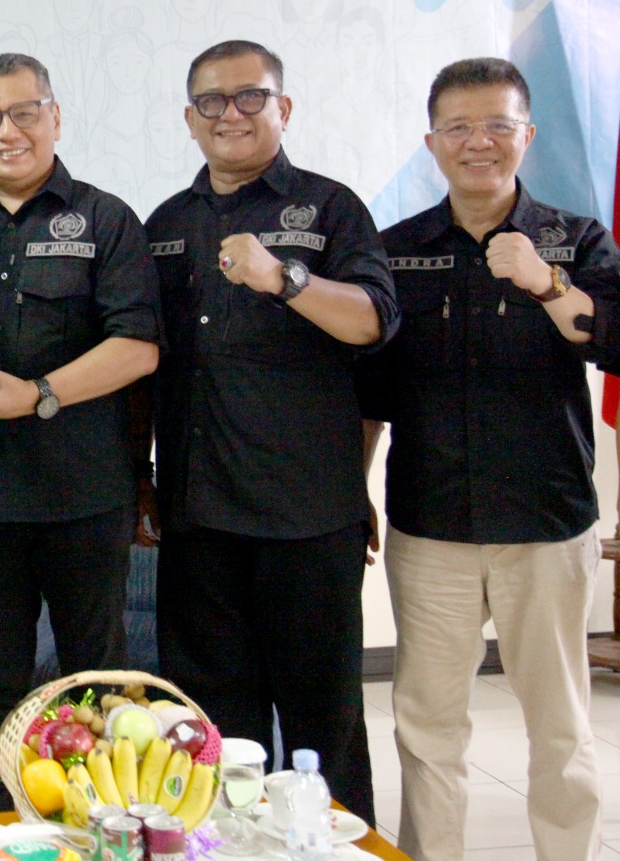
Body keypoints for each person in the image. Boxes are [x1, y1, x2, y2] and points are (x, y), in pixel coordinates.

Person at [359, 58, 616, 861]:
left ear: (526, 134)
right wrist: (354, 490)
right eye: (460, 127)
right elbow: (372, 391)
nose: (480, 143)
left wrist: (546, 283)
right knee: (427, 726)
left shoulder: (575, 239)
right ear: (432, 142)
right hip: (431, 523)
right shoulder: (396, 249)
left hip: (547, 523)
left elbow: (612, 342)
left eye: (498, 125)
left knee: (560, 728)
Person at [143, 40, 397, 823]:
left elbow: (374, 322)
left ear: (283, 108)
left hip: (307, 520)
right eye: (212, 101)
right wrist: (141, 482)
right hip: (199, 522)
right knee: (214, 735)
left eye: (251, 96)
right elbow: (141, 364)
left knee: (326, 730)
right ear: (190, 119)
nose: (232, 114)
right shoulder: (164, 225)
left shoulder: (330, 208)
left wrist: (283, 277)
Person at [0, 53, 160, 812]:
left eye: (23, 113)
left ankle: (102, 827)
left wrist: (39, 396)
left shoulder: (106, 220)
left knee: (95, 677)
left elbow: (138, 348)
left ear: (54, 118)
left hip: (83, 494)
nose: (6, 132)